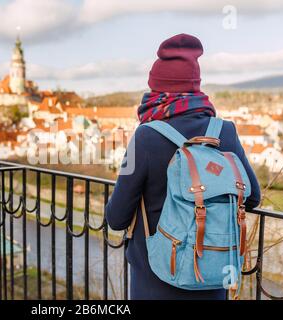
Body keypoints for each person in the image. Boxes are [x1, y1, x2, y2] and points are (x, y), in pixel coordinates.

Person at [105, 34, 261, 300]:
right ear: (196, 87)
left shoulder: (146, 136)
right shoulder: (224, 131)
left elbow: (117, 218)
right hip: (212, 277)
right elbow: (253, 196)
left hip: (156, 282)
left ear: (156, 89)